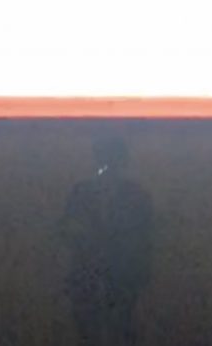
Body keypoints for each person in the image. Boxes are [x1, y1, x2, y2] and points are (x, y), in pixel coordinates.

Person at [59, 136, 153, 345]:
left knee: (121, 324)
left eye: (112, 158)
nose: (108, 164)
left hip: (121, 274)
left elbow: (145, 235)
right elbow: (65, 228)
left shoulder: (135, 195)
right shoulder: (82, 192)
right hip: (88, 273)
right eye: (105, 158)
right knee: (89, 327)